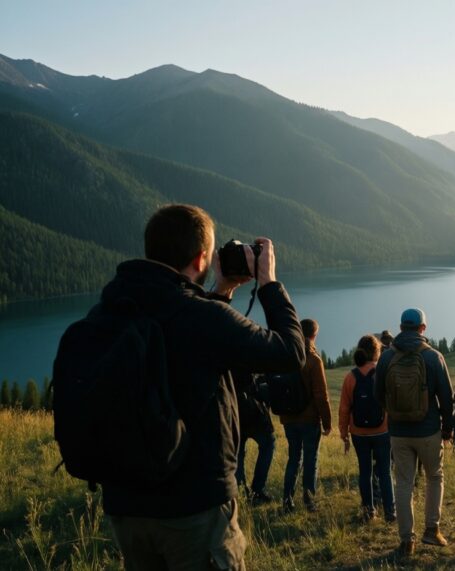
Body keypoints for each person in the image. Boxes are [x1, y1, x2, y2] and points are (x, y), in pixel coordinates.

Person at [99, 204, 305, 570]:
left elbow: (186, 342)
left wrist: (221, 290)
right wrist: (269, 283)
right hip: (194, 509)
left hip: (127, 509)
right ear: (201, 258)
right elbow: (290, 352)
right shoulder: (202, 317)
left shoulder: (111, 309)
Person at [374, 308, 454, 556]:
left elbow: (378, 394)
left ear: (401, 327)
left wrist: (393, 414)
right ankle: (432, 530)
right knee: (434, 477)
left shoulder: (386, 358)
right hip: (429, 430)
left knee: (404, 483)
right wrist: (447, 429)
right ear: (423, 328)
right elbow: (447, 398)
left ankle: (407, 540)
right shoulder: (433, 356)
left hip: (398, 432)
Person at [339, 334, 395, 522]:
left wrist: (344, 433)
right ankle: (390, 511)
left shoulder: (351, 377)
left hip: (358, 433)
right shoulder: (383, 373)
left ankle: (369, 511)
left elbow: (344, 408)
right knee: (386, 471)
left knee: (365, 472)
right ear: (377, 351)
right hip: (383, 430)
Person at [279, 319, 332, 512]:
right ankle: (309, 501)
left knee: (294, 458)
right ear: (314, 335)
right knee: (311, 459)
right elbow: (321, 395)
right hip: (309, 420)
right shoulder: (313, 359)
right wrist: (327, 422)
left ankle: (287, 501)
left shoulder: (287, 355)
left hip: (288, 419)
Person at [235, 371, 276, 505]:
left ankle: (241, 492)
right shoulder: (245, 354)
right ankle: (257, 490)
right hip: (253, 413)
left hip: (234, 413)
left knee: (238, 453)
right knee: (268, 443)